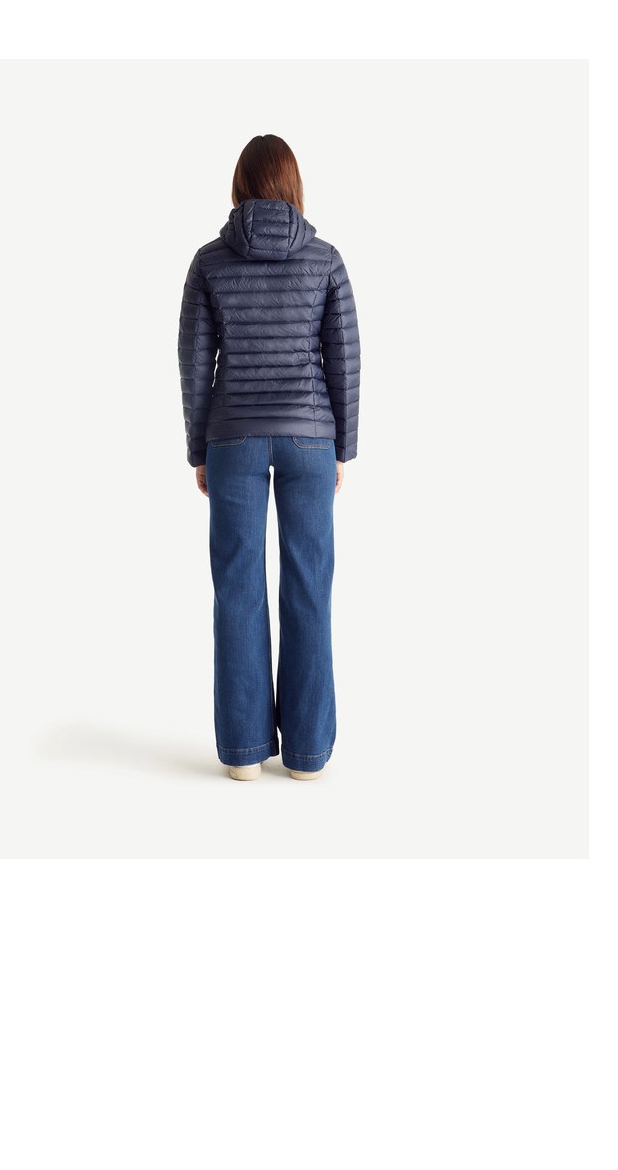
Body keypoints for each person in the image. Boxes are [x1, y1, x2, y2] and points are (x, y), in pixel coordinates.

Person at [177, 134, 360, 781]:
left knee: (237, 590)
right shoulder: (325, 259)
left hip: (233, 437)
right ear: (293, 186)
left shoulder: (208, 262)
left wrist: (199, 448)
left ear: (239, 186)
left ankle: (244, 755)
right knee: (309, 587)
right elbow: (344, 356)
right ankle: (307, 757)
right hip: (311, 438)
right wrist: (343, 448)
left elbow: (195, 362)